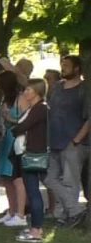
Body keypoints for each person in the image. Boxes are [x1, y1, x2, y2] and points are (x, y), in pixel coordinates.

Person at [45, 55, 88, 227]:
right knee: (49, 178)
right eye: (62, 65)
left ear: (77, 68)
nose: (63, 68)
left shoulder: (84, 89)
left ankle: (66, 216)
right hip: (54, 140)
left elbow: (89, 118)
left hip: (73, 141)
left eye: (67, 65)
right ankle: (75, 211)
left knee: (70, 181)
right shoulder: (57, 87)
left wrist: (77, 140)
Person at [12, 79, 50, 243]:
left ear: (37, 92)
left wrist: (14, 129)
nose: (25, 93)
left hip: (33, 154)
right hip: (29, 152)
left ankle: (36, 231)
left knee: (33, 192)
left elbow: (21, 127)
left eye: (28, 90)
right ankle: (36, 227)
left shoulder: (40, 108)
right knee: (32, 190)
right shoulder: (34, 108)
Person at [0, 71, 27, 227]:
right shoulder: (5, 98)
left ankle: (21, 213)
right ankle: (11, 210)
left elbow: (26, 121)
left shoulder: (21, 98)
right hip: (6, 138)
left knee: (17, 178)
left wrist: (9, 118)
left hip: (17, 140)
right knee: (6, 178)